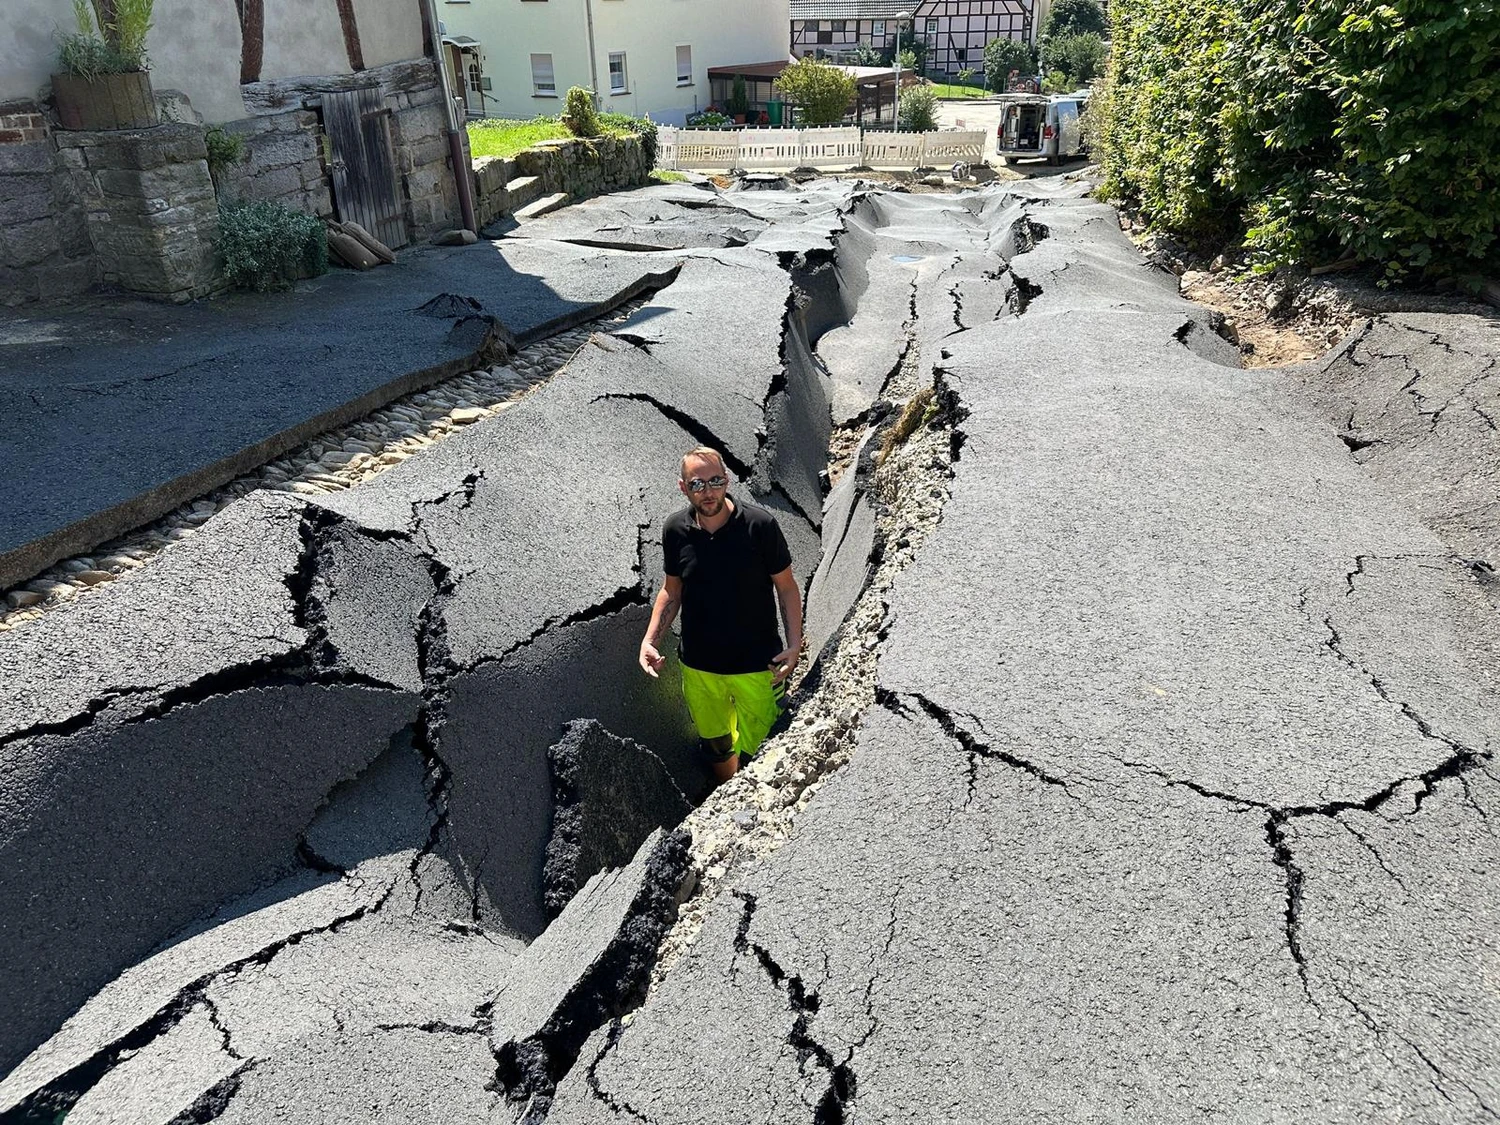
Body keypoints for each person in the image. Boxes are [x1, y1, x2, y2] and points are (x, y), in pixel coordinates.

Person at [638, 447, 804, 785]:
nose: (708, 491)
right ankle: (727, 798)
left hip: (758, 667)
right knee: (715, 746)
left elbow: (786, 588)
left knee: (766, 747)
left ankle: (757, 801)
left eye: (715, 481)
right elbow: (672, 591)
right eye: (697, 484)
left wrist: (795, 643)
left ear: (727, 481)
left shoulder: (760, 526)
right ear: (683, 487)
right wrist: (650, 640)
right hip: (700, 668)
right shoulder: (675, 529)